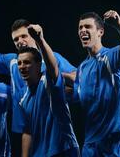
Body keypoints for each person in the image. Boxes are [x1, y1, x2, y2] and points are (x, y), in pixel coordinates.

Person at [0, 12, 77, 156]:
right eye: (16, 39)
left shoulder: (52, 59)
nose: (20, 41)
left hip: (57, 136)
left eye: (24, 36)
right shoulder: (13, 62)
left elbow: (78, 79)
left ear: (33, 36)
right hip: (28, 129)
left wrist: (56, 89)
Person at [72, 10, 120, 156]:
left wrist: (118, 25)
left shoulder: (111, 56)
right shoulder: (82, 68)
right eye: (80, 28)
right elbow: (78, 97)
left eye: (87, 27)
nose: (83, 30)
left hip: (117, 136)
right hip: (92, 142)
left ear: (100, 32)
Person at [17, 26, 80, 156]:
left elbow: (53, 66)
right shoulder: (23, 100)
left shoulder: (48, 80)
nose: (22, 67)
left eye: (27, 62)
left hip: (64, 150)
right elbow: (28, 132)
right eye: (19, 63)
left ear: (39, 65)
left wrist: (40, 40)